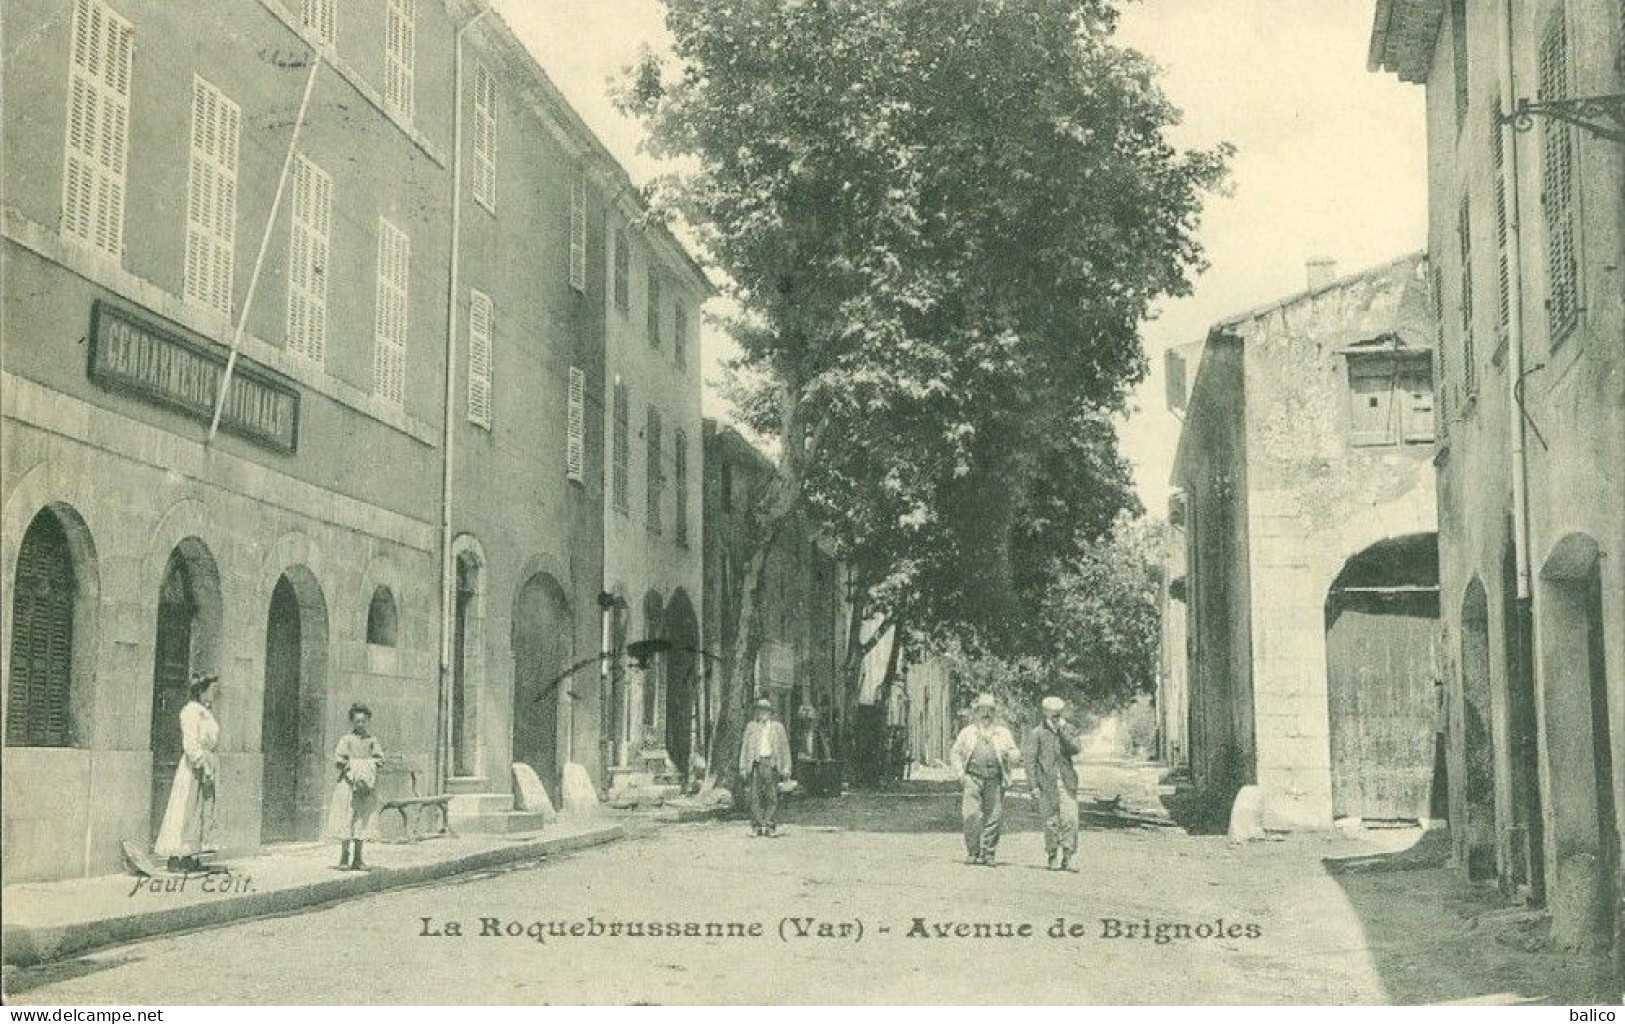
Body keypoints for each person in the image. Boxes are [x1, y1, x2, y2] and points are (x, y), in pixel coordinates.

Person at [153, 672, 222, 873]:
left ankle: (191, 855)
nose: (214, 694)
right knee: (186, 808)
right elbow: (190, 743)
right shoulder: (190, 712)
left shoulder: (206, 712)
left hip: (207, 762)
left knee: (201, 810)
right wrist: (203, 764)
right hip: (194, 768)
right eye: (211, 690)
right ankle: (178, 855)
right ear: (200, 691)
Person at [949, 693, 1021, 865]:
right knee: (971, 815)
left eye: (990, 710)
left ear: (994, 713)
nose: (986, 714)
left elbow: (1014, 752)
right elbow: (955, 753)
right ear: (976, 712)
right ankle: (972, 852)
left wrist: (1012, 755)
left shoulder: (1002, 733)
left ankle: (988, 853)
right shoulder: (968, 732)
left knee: (993, 817)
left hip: (994, 779)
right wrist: (961, 775)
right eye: (982, 710)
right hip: (972, 778)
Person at [1023, 695, 1083, 872]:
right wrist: (1033, 785)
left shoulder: (1068, 729)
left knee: (1070, 819)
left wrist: (1063, 732)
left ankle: (1068, 857)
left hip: (1066, 782)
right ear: (1045, 713)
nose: (1056, 717)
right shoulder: (1037, 733)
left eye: (1058, 714)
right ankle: (1052, 856)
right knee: (1051, 822)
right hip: (1046, 783)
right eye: (1052, 714)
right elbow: (1030, 761)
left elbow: (1076, 748)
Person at [326, 703, 385, 871]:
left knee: (362, 819)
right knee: (347, 817)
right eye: (357, 721)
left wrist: (366, 769)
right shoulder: (346, 740)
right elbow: (339, 760)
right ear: (352, 722)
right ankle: (344, 857)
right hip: (348, 785)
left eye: (363, 721)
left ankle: (358, 858)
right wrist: (352, 768)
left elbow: (380, 759)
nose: (360, 724)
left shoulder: (373, 741)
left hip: (365, 786)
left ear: (368, 721)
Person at [738, 697, 791, 837]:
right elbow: (744, 748)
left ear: (770, 712)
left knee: (772, 796)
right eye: (760, 710)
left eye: (765, 710)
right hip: (755, 763)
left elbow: (785, 748)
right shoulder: (751, 727)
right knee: (754, 796)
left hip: (771, 763)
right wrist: (742, 767)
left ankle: (769, 825)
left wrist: (786, 767)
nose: (762, 713)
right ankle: (756, 826)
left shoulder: (777, 727)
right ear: (756, 712)